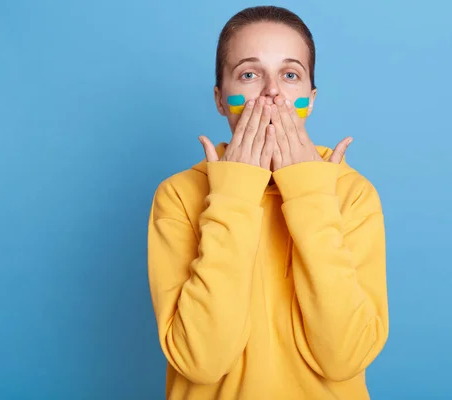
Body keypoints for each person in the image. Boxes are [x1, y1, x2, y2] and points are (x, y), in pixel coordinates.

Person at [147, 5, 389, 399]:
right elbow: (199, 361)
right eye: (249, 74)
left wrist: (310, 193)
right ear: (220, 99)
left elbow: (345, 358)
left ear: (309, 99)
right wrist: (234, 194)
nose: (272, 92)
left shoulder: (351, 192)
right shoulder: (178, 195)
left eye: (290, 74)